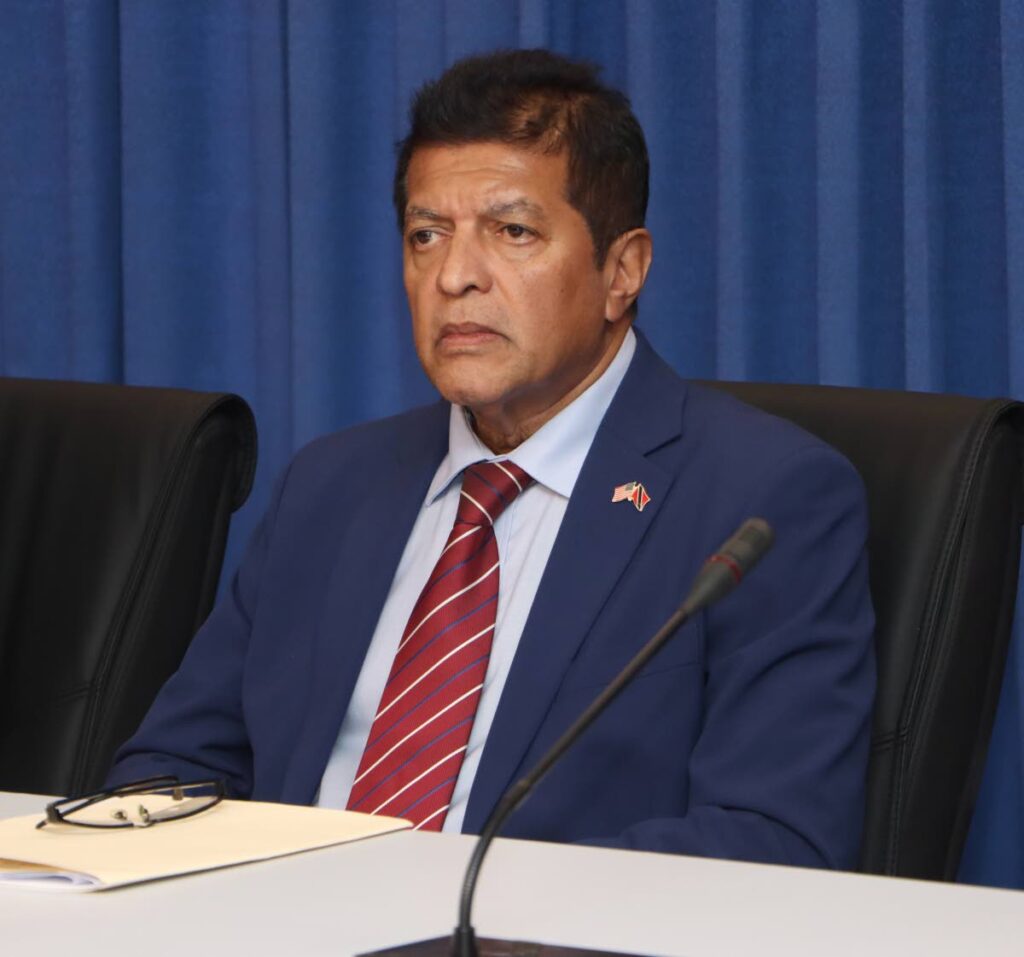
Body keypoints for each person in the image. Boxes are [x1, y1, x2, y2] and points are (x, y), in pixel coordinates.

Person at [109, 49, 875, 869]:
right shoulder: (331, 485)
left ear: (622, 271)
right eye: (426, 236)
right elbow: (172, 771)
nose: (455, 277)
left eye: (513, 232)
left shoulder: (762, 499)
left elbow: (772, 838)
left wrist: (460, 897)